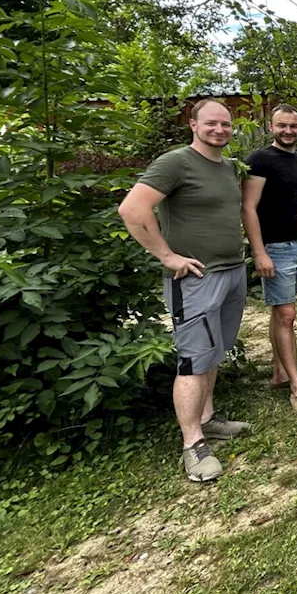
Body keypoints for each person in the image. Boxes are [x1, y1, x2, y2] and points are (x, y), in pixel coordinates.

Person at [118, 99, 250, 482]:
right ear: (193, 125)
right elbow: (132, 209)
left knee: (215, 350)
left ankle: (207, 420)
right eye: (212, 123)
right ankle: (192, 444)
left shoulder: (225, 167)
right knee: (193, 358)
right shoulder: (175, 162)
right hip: (194, 278)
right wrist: (167, 256)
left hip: (230, 271)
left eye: (226, 124)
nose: (220, 130)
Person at [241, 104, 297, 416]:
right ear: (271, 126)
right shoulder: (259, 160)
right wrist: (259, 251)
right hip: (275, 248)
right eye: (282, 126)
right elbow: (247, 207)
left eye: (293, 126)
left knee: (282, 312)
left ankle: (279, 373)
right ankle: (296, 385)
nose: (288, 131)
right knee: (287, 314)